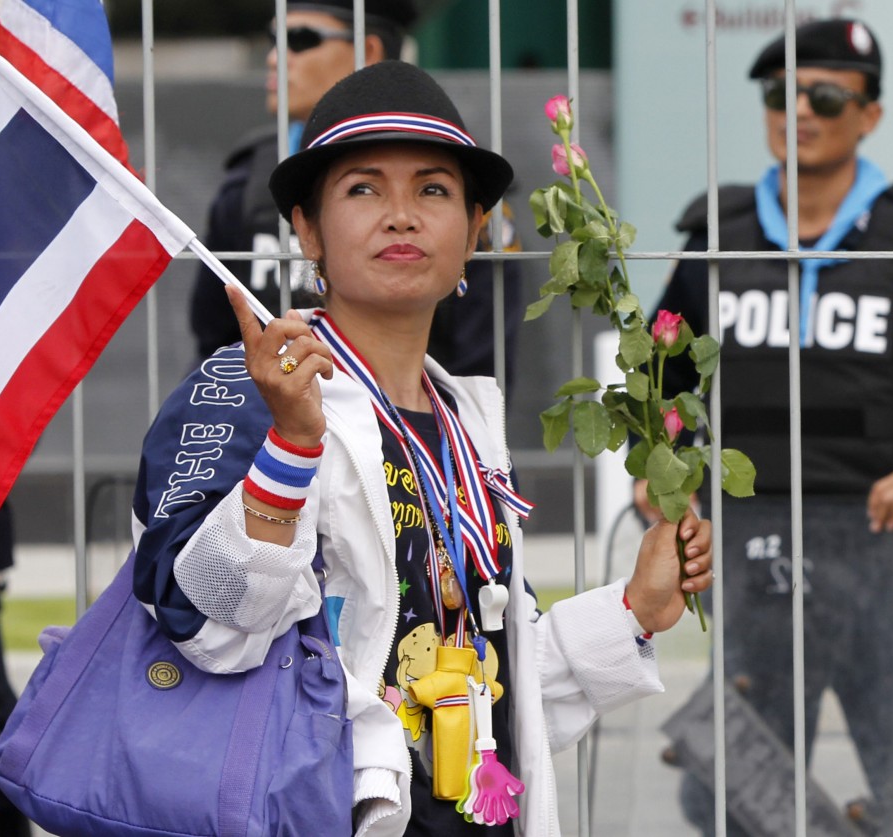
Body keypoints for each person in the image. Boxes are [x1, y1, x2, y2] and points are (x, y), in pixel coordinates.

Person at [135, 60, 713, 835]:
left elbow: (483, 679)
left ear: (477, 229)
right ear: (306, 228)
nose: (401, 215)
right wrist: (288, 451)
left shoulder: (465, 418)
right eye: (363, 188)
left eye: (434, 190)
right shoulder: (248, 392)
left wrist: (635, 610)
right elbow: (201, 626)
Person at [643, 19, 893, 836]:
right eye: (780, 94)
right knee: (723, 791)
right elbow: (661, 383)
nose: (798, 110)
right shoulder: (715, 239)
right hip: (752, 567)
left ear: (870, 115)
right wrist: (664, 468)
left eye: (825, 95)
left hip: (887, 568)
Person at [189, 0, 525, 388]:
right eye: (362, 189)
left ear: (367, 50)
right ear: (306, 226)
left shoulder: (465, 177)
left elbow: (483, 361)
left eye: (300, 39)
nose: (275, 58)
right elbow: (215, 347)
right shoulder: (247, 184)